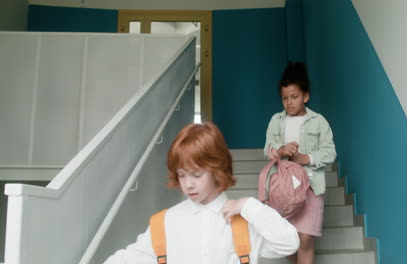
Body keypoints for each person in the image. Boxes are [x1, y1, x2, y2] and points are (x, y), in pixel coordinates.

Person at [104, 122, 299, 264]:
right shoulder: (166, 222)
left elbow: (289, 243)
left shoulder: (243, 222)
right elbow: (124, 259)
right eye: (181, 175)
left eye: (196, 175)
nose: (188, 184)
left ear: (217, 169)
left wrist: (250, 205)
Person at [264, 62, 337, 264]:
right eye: (284, 98)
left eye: (294, 97)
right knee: (289, 239)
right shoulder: (276, 121)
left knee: (305, 238)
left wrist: (306, 158)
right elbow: (267, 148)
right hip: (284, 189)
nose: (289, 103)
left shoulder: (319, 121)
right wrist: (280, 150)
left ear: (305, 96)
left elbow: (330, 152)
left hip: (311, 186)